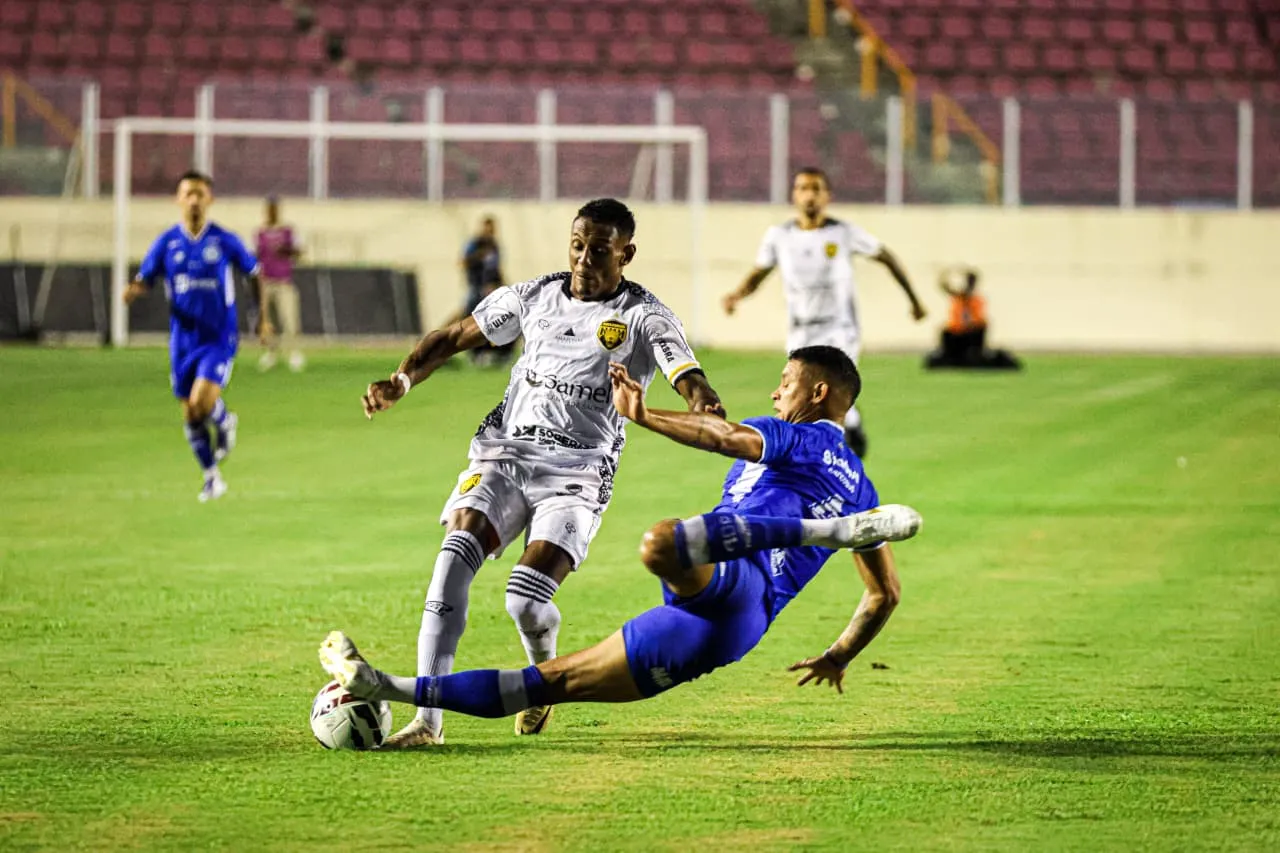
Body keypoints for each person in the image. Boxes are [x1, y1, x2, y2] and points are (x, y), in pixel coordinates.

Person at [321, 346, 922, 730]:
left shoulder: (807, 437)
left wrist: (645, 414)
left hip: (739, 581)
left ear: (818, 394)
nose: (775, 392)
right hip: (732, 627)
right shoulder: (862, 485)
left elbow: (723, 437)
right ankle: (383, 686)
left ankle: (825, 533)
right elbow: (884, 594)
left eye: (785, 382)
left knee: (660, 544)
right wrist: (838, 655)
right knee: (551, 681)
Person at [359, 198, 724, 747]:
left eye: (598, 250)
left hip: (578, 471)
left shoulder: (644, 317)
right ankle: (427, 723)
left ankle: (543, 683)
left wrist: (703, 404)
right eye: (577, 245)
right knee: (452, 562)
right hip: (504, 455)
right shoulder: (532, 297)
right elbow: (453, 338)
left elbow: (688, 374)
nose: (583, 258)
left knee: (525, 601)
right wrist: (401, 381)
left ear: (626, 253)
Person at [722, 167, 928, 458]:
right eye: (803, 188)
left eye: (816, 188)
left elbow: (887, 257)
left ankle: (840, 451)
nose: (810, 195)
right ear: (794, 195)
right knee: (801, 393)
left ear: (827, 196)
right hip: (800, 329)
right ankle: (848, 427)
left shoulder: (843, 233)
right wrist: (737, 295)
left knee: (829, 389)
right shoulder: (779, 236)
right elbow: (760, 273)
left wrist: (914, 301)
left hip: (840, 327)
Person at [124, 170, 259, 502]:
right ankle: (212, 477)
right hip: (182, 341)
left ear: (209, 199)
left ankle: (224, 419)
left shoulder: (224, 241)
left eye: (200, 193)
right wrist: (135, 289)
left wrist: (261, 318)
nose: (194, 199)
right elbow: (147, 277)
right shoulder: (167, 243)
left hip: (218, 337)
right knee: (189, 412)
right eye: (188, 194)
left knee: (202, 401)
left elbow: (253, 274)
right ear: (179, 199)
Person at [925, 267, 1021, 370]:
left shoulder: (976, 300)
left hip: (971, 338)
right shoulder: (958, 299)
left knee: (975, 355)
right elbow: (945, 287)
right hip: (955, 338)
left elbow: (979, 324)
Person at [255, 196, 305, 373]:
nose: (272, 212)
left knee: (289, 319)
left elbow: (299, 252)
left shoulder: (287, 232)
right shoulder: (260, 233)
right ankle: (271, 353)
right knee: (268, 321)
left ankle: (293, 353)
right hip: (266, 282)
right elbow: (257, 257)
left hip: (284, 282)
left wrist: (286, 250)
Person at [459, 215, 512, 367]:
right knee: (471, 319)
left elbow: (496, 268)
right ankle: (474, 354)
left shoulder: (495, 246)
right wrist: (478, 255)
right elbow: (462, 262)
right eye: (488, 228)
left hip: (492, 289)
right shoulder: (475, 243)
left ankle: (499, 353)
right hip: (476, 288)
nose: (490, 231)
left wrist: (503, 284)